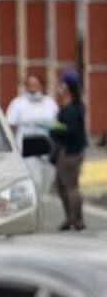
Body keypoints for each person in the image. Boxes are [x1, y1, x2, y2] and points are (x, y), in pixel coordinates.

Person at [5, 73, 58, 196]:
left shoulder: (49, 103)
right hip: (26, 145)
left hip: (46, 145)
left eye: (36, 84)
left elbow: (57, 123)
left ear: (41, 85)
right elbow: (11, 125)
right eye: (30, 84)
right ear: (26, 86)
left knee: (46, 182)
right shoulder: (18, 103)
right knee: (32, 180)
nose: (33, 87)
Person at [49, 71, 88, 231]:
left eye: (61, 84)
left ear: (67, 86)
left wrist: (54, 130)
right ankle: (69, 217)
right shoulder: (71, 105)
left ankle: (77, 220)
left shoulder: (73, 108)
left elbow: (71, 131)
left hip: (71, 152)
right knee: (61, 185)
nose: (59, 87)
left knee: (71, 185)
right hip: (65, 150)